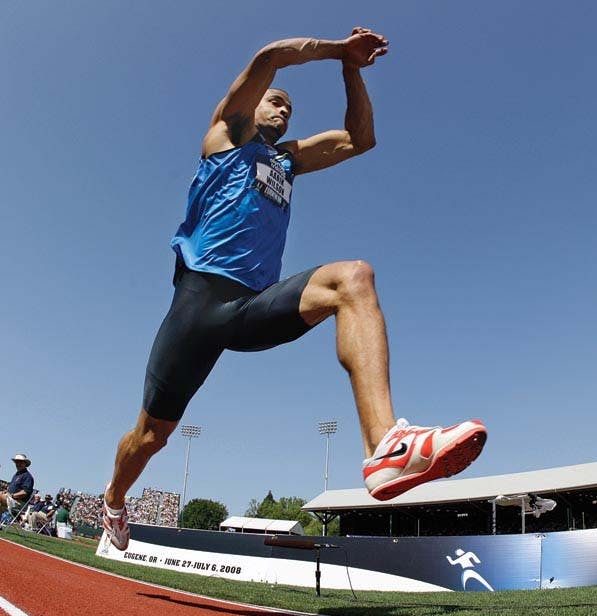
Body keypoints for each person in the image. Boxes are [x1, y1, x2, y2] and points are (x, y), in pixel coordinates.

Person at [102, 28, 487, 551]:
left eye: (290, 109)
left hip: (252, 307)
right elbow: (273, 56)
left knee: (353, 278)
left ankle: (385, 449)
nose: (285, 111)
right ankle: (114, 499)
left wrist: (351, 73)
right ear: (251, 102)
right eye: (277, 102)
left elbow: (360, 139)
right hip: (198, 304)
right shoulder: (226, 132)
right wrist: (337, 50)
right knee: (152, 437)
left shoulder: (286, 160)